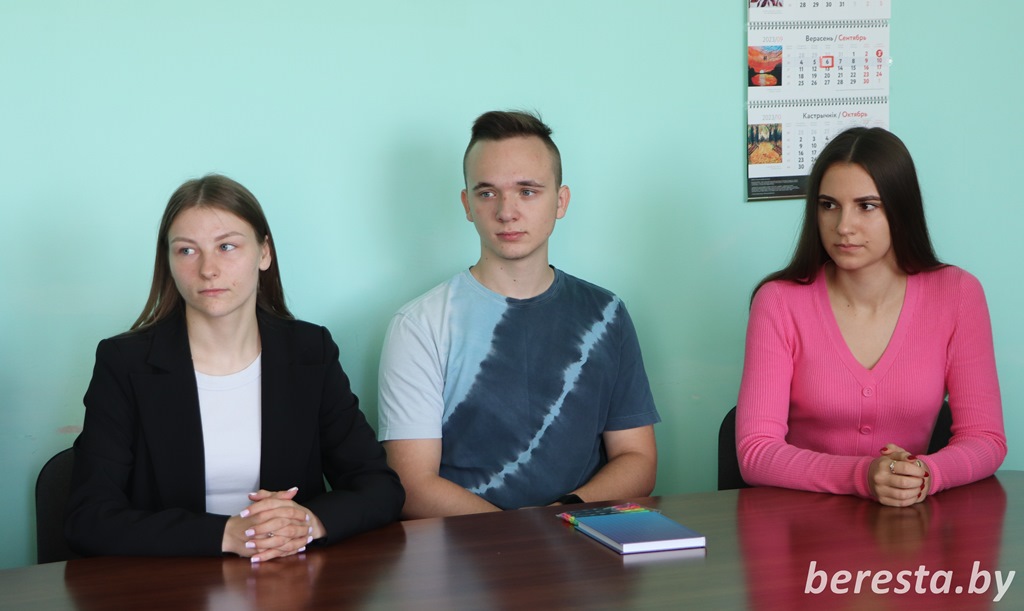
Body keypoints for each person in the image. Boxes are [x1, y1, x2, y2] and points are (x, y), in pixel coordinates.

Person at [66, 174, 404, 562]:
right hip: (171, 582)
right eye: (187, 250)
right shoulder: (123, 362)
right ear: (169, 262)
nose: (208, 269)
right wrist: (226, 534)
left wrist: (309, 523)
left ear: (264, 253)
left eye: (226, 246)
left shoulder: (311, 351)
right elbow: (88, 518)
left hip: (289, 577)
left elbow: (380, 487)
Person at [377, 110, 660, 518]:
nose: (506, 211)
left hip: (582, 537)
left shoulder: (606, 314)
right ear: (467, 204)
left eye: (527, 191)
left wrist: (562, 519)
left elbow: (637, 459)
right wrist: (525, 537)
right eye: (487, 193)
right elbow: (413, 484)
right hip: (464, 546)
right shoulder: (420, 325)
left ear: (560, 201)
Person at [736, 127, 1006, 507]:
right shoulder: (778, 302)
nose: (843, 226)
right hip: (800, 525)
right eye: (829, 205)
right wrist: (863, 475)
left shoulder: (958, 294)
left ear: (901, 208)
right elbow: (756, 452)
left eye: (866, 206)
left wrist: (925, 474)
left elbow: (985, 439)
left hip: (908, 523)